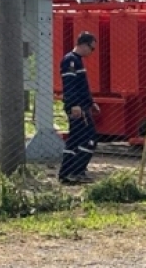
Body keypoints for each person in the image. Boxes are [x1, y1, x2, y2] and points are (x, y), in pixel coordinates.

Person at [58, 31, 101, 184]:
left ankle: (68, 172)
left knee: (76, 139)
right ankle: (76, 170)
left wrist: (90, 102)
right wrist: (74, 105)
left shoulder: (77, 60)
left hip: (82, 105)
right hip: (77, 107)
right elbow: (69, 85)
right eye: (91, 48)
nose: (92, 51)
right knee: (89, 139)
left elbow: (82, 86)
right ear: (83, 44)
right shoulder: (70, 61)